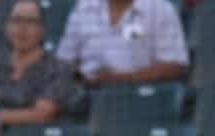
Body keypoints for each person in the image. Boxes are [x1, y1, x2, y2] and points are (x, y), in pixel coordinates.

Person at [0, 0, 83, 125]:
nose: (22, 28)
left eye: (30, 22)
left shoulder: (59, 69)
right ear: (6, 27)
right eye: (16, 20)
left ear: (42, 29)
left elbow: (42, 115)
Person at [53, 0, 187, 86]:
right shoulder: (84, 7)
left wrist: (119, 79)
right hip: (88, 95)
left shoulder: (160, 8)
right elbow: (64, 62)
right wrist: (81, 79)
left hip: (140, 93)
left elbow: (174, 67)